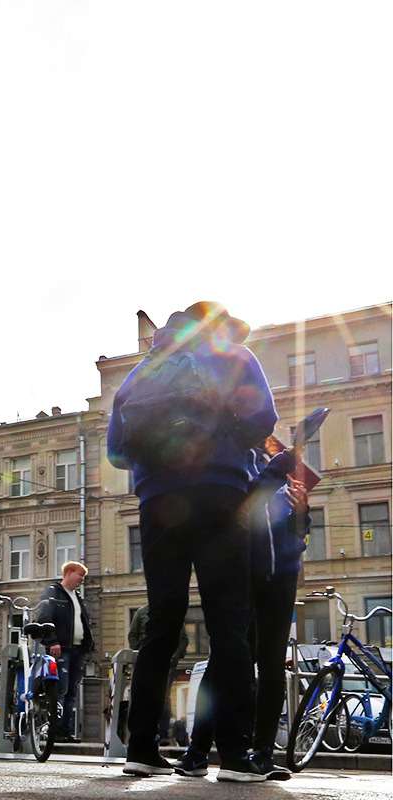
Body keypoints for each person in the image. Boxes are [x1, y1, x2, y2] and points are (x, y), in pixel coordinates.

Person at [108, 301, 277, 782]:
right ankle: (236, 756)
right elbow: (262, 419)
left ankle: (140, 747)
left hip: (158, 502)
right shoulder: (233, 355)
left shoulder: (141, 371)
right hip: (220, 493)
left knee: (163, 620)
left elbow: (117, 451)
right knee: (229, 622)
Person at [175, 445, 311, 781]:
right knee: (224, 661)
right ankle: (197, 752)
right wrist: (276, 470)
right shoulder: (241, 467)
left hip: (282, 578)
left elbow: (299, 532)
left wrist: (301, 509)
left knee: (272, 665)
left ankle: (263, 752)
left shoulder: (279, 478)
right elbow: (241, 509)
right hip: (245, 577)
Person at [36, 561, 95, 741]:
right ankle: (54, 731)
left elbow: (84, 622)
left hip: (78, 650)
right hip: (60, 649)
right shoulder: (52, 592)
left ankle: (65, 731)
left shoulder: (76, 596)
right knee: (59, 690)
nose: (82, 580)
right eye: (80, 576)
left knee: (71, 692)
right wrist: (52, 641)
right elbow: (44, 618)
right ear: (69, 573)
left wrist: (88, 646)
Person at [127, 604, 188, 744]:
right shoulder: (141, 612)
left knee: (163, 696)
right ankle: (143, 734)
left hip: (166, 662)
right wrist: (140, 654)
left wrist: (174, 657)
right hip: (146, 661)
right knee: (143, 696)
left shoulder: (173, 612)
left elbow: (183, 639)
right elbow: (132, 636)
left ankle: (163, 734)